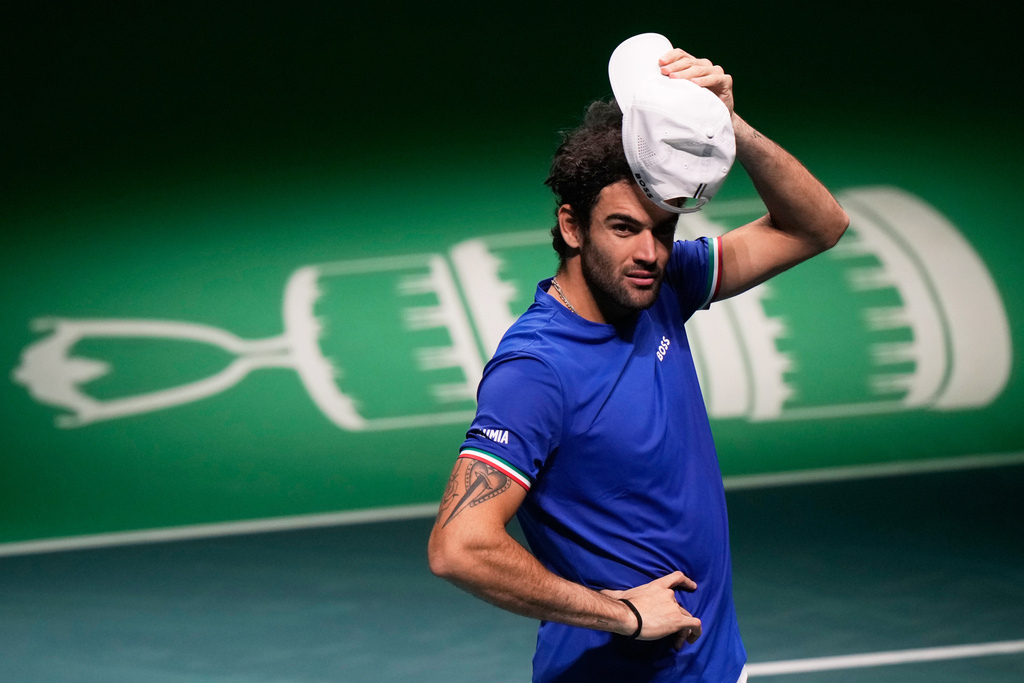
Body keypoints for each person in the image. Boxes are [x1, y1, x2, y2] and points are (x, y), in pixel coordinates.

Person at [428, 36, 849, 683]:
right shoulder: (537, 371)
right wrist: (619, 611)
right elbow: (459, 545)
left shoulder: (663, 286)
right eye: (625, 227)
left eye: (663, 226)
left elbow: (816, 225)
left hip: (713, 665)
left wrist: (725, 124)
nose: (650, 249)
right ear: (572, 226)